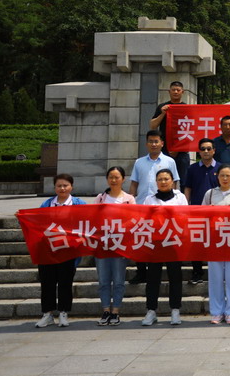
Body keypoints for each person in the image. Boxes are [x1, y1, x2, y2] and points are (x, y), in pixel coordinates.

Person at [35, 174, 87, 329]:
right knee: (47, 283)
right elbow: (36, 221)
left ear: (71, 187)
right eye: (59, 186)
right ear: (54, 188)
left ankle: (63, 313)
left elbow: (88, 220)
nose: (62, 188)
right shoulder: (47, 204)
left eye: (65, 185)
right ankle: (48, 314)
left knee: (65, 282)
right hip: (48, 250)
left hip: (68, 250)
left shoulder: (79, 204)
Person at [128, 129, 179, 285]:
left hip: (165, 208)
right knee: (142, 238)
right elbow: (134, 183)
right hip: (143, 207)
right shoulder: (139, 162)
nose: (154, 144)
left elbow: (175, 182)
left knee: (165, 238)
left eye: (156, 141)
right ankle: (141, 272)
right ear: (146, 144)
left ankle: (167, 271)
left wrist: (176, 200)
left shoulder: (170, 162)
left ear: (162, 143)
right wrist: (130, 202)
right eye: (151, 141)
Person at [142, 169, 188, 326]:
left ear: (172, 181)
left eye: (166, 179)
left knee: (175, 276)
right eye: (160, 179)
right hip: (155, 243)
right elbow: (145, 220)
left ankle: (175, 310)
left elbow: (185, 217)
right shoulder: (149, 199)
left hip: (174, 242)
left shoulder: (180, 198)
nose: (163, 182)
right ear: (156, 182)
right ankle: (151, 310)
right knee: (152, 277)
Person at [202, 164, 230, 324]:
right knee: (215, 277)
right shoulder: (210, 193)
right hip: (215, 239)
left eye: (228, 175)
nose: (225, 178)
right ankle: (216, 311)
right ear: (217, 176)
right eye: (222, 175)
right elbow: (201, 215)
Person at [94, 167, 135, 326]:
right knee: (103, 280)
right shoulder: (100, 198)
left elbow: (133, 220)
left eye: (117, 177)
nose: (114, 180)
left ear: (123, 179)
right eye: (111, 177)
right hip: (102, 245)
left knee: (118, 280)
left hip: (120, 245)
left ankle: (115, 311)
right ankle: (105, 310)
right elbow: (92, 219)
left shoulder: (129, 199)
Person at [183, 138, 219, 285]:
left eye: (209, 148)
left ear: (214, 151)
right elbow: (188, 188)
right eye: (203, 149)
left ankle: (215, 273)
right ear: (199, 151)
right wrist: (186, 206)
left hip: (216, 212)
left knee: (216, 242)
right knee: (196, 243)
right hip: (196, 211)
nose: (206, 151)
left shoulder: (220, 168)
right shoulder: (192, 169)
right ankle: (197, 272)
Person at [149, 80, 190, 184]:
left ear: (182, 92)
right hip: (165, 150)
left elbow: (191, 129)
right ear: (169, 91)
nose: (175, 92)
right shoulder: (162, 107)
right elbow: (153, 126)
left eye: (178, 90)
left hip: (182, 151)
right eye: (173, 90)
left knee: (184, 181)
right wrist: (163, 114)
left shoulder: (187, 108)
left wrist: (177, 148)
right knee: (164, 179)